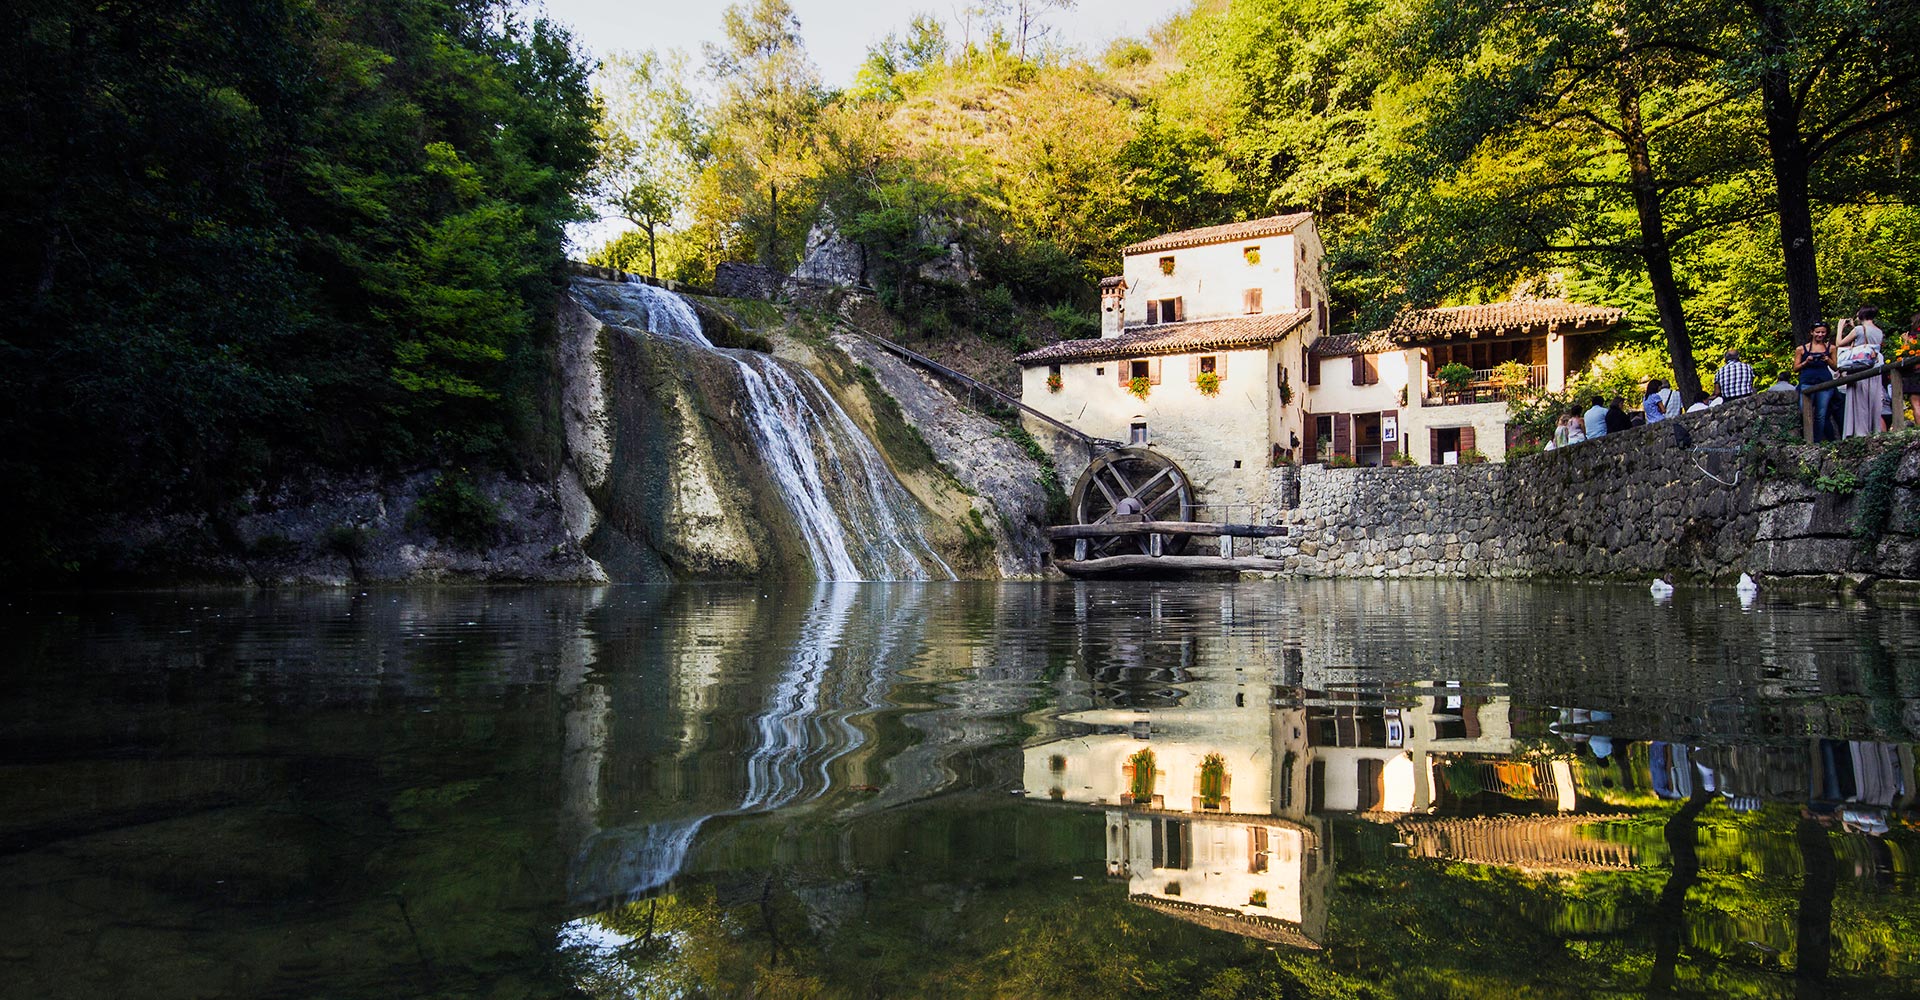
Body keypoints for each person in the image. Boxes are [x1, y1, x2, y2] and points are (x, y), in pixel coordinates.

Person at [1840, 305, 1886, 436]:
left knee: (1859, 399)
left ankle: (1859, 431)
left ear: (1862, 314)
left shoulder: (1859, 329)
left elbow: (1839, 343)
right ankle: (1873, 429)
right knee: (1871, 398)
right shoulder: (1878, 331)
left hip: (1859, 368)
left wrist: (1840, 328)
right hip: (1873, 367)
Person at [1797, 321, 1840, 442]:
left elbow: (1836, 367)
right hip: (1807, 381)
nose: (1820, 334)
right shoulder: (1801, 349)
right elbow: (1795, 368)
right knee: (1804, 410)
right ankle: (1807, 437)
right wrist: (1806, 362)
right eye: (1817, 332)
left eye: (1823, 332)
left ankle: (1817, 440)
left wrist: (1827, 359)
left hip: (1824, 382)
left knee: (1821, 414)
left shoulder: (1831, 348)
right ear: (1812, 333)